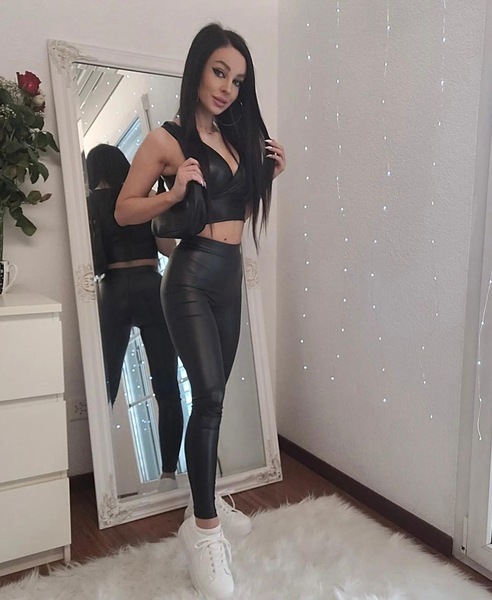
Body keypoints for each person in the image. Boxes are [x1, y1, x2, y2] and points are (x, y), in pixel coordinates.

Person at [115, 23, 286, 599]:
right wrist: (172, 191)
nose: (227, 88)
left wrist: (267, 176)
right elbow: (124, 210)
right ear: (197, 69)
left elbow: (237, 209)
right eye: (219, 72)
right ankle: (205, 532)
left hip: (229, 278)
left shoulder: (237, 140)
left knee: (216, 397)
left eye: (237, 80)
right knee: (207, 395)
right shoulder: (167, 139)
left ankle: (203, 502)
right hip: (188, 277)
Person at [86, 144, 183, 494]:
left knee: (105, 385)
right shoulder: (141, 198)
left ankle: (101, 475)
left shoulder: (88, 206)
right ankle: (168, 475)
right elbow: (168, 248)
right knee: (167, 385)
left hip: (110, 290)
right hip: (149, 286)